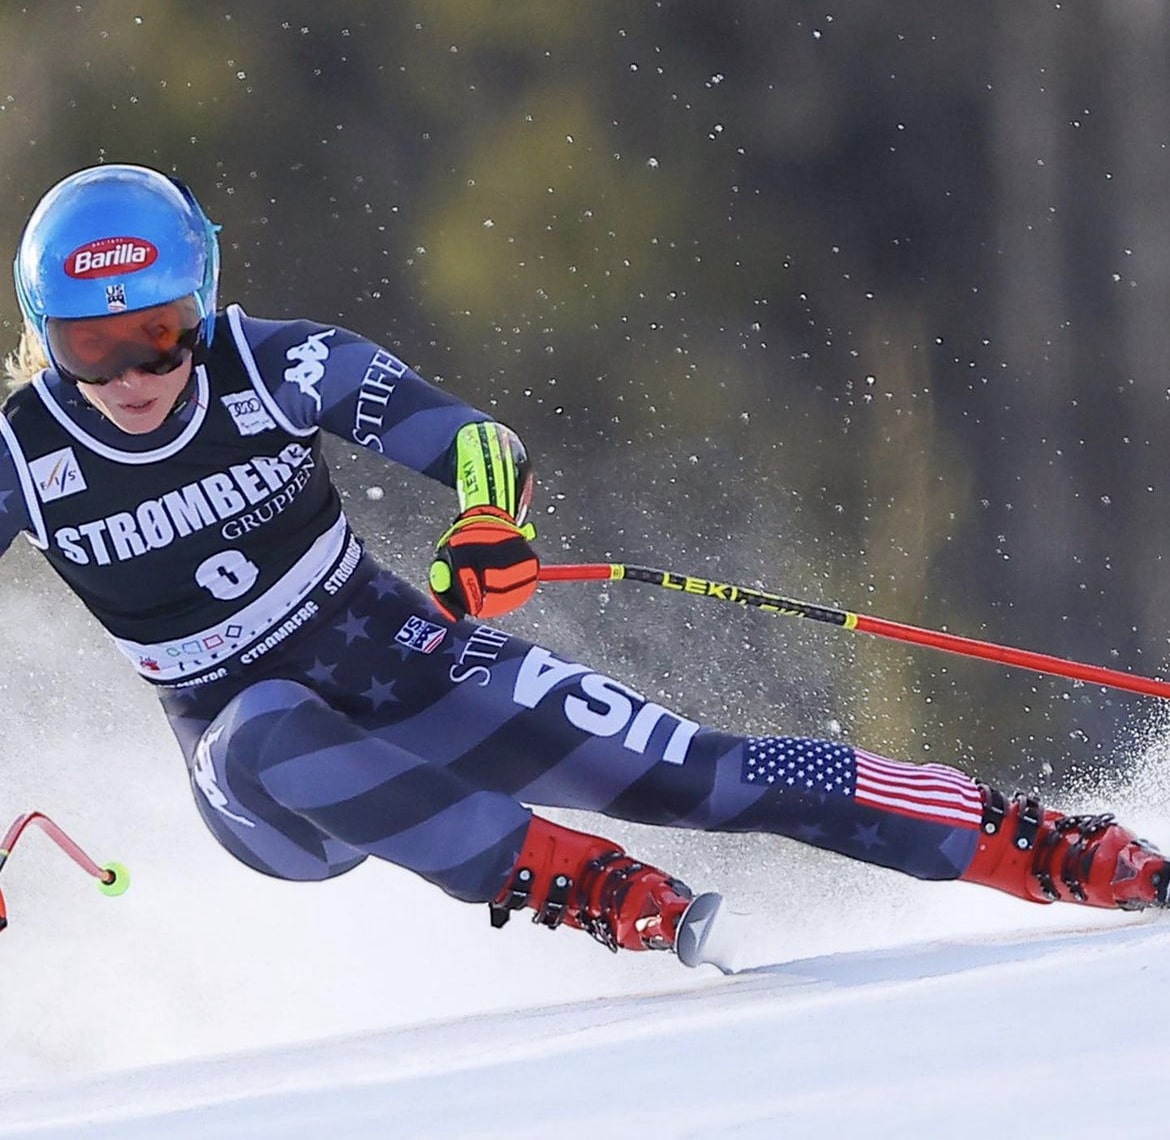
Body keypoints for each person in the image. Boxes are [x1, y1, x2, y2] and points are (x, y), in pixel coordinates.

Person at [3, 164, 1166, 970]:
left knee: (702, 774)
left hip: (414, 669)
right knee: (261, 727)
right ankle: (586, 887)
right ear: (43, 339)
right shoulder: (24, 450)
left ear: (199, 304)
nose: (127, 374)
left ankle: (1052, 849)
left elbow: (471, 441)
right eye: (88, 345)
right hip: (265, 790)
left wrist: (485, 525)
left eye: (154, 330)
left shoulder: (275, 364)